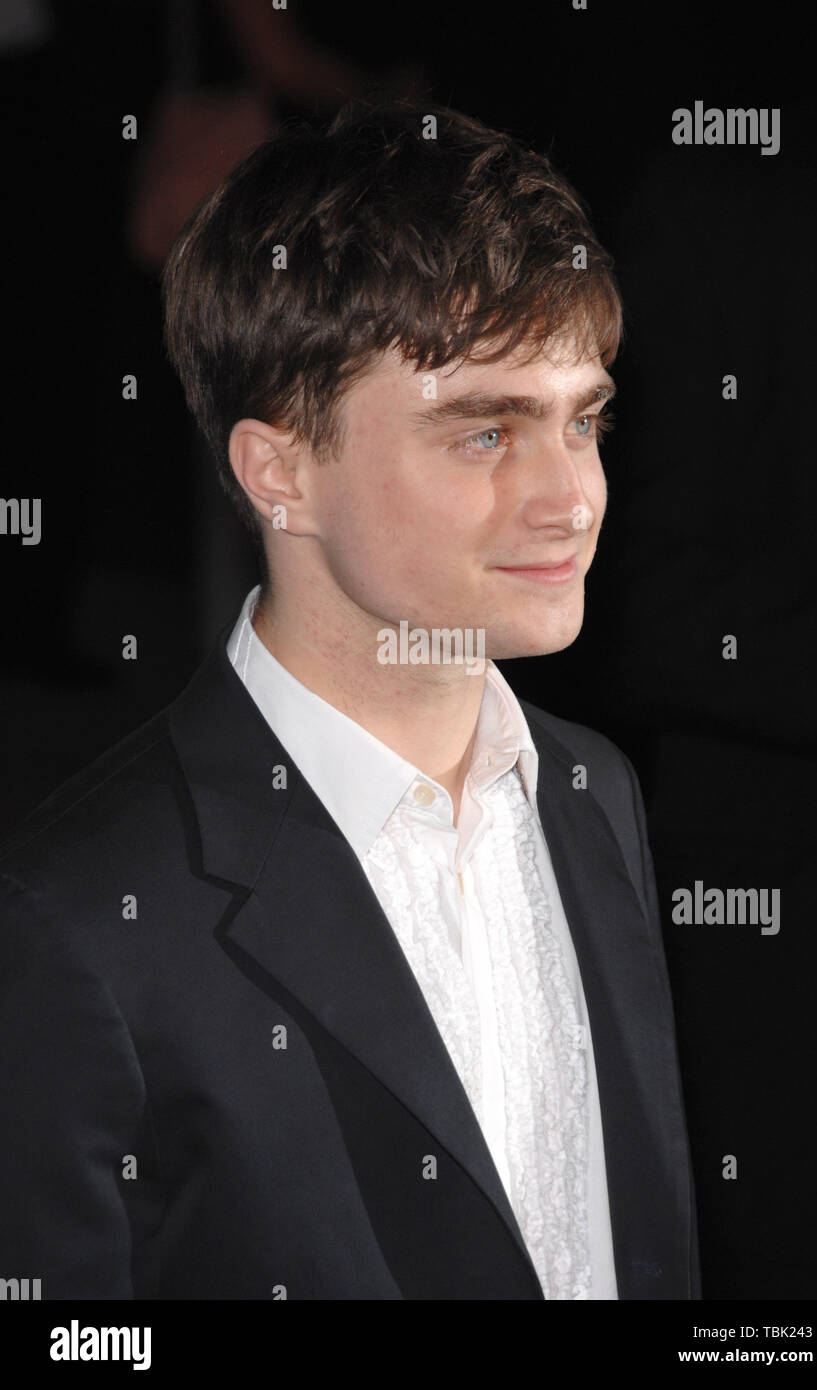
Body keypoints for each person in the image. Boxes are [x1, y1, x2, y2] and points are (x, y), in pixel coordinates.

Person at [0, 98, 699, 1300]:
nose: (571, 497)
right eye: (486, 434)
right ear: (280, 471)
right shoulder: (80, 920)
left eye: (582, 419)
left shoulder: (593, 790)